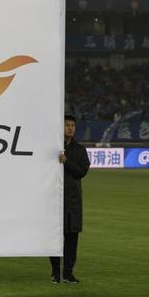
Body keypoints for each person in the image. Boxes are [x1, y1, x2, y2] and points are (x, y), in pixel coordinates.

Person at [50, 114, 90, 284]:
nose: (70, 128)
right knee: (54, 239)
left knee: (72, 240)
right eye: (67, 125)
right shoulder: (53, 148)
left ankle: (68, 273)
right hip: (54, 200)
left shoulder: (80, 150)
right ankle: (55, 272)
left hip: (73, 201)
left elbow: (82, 172)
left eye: (72, 125)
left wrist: (66, 162)